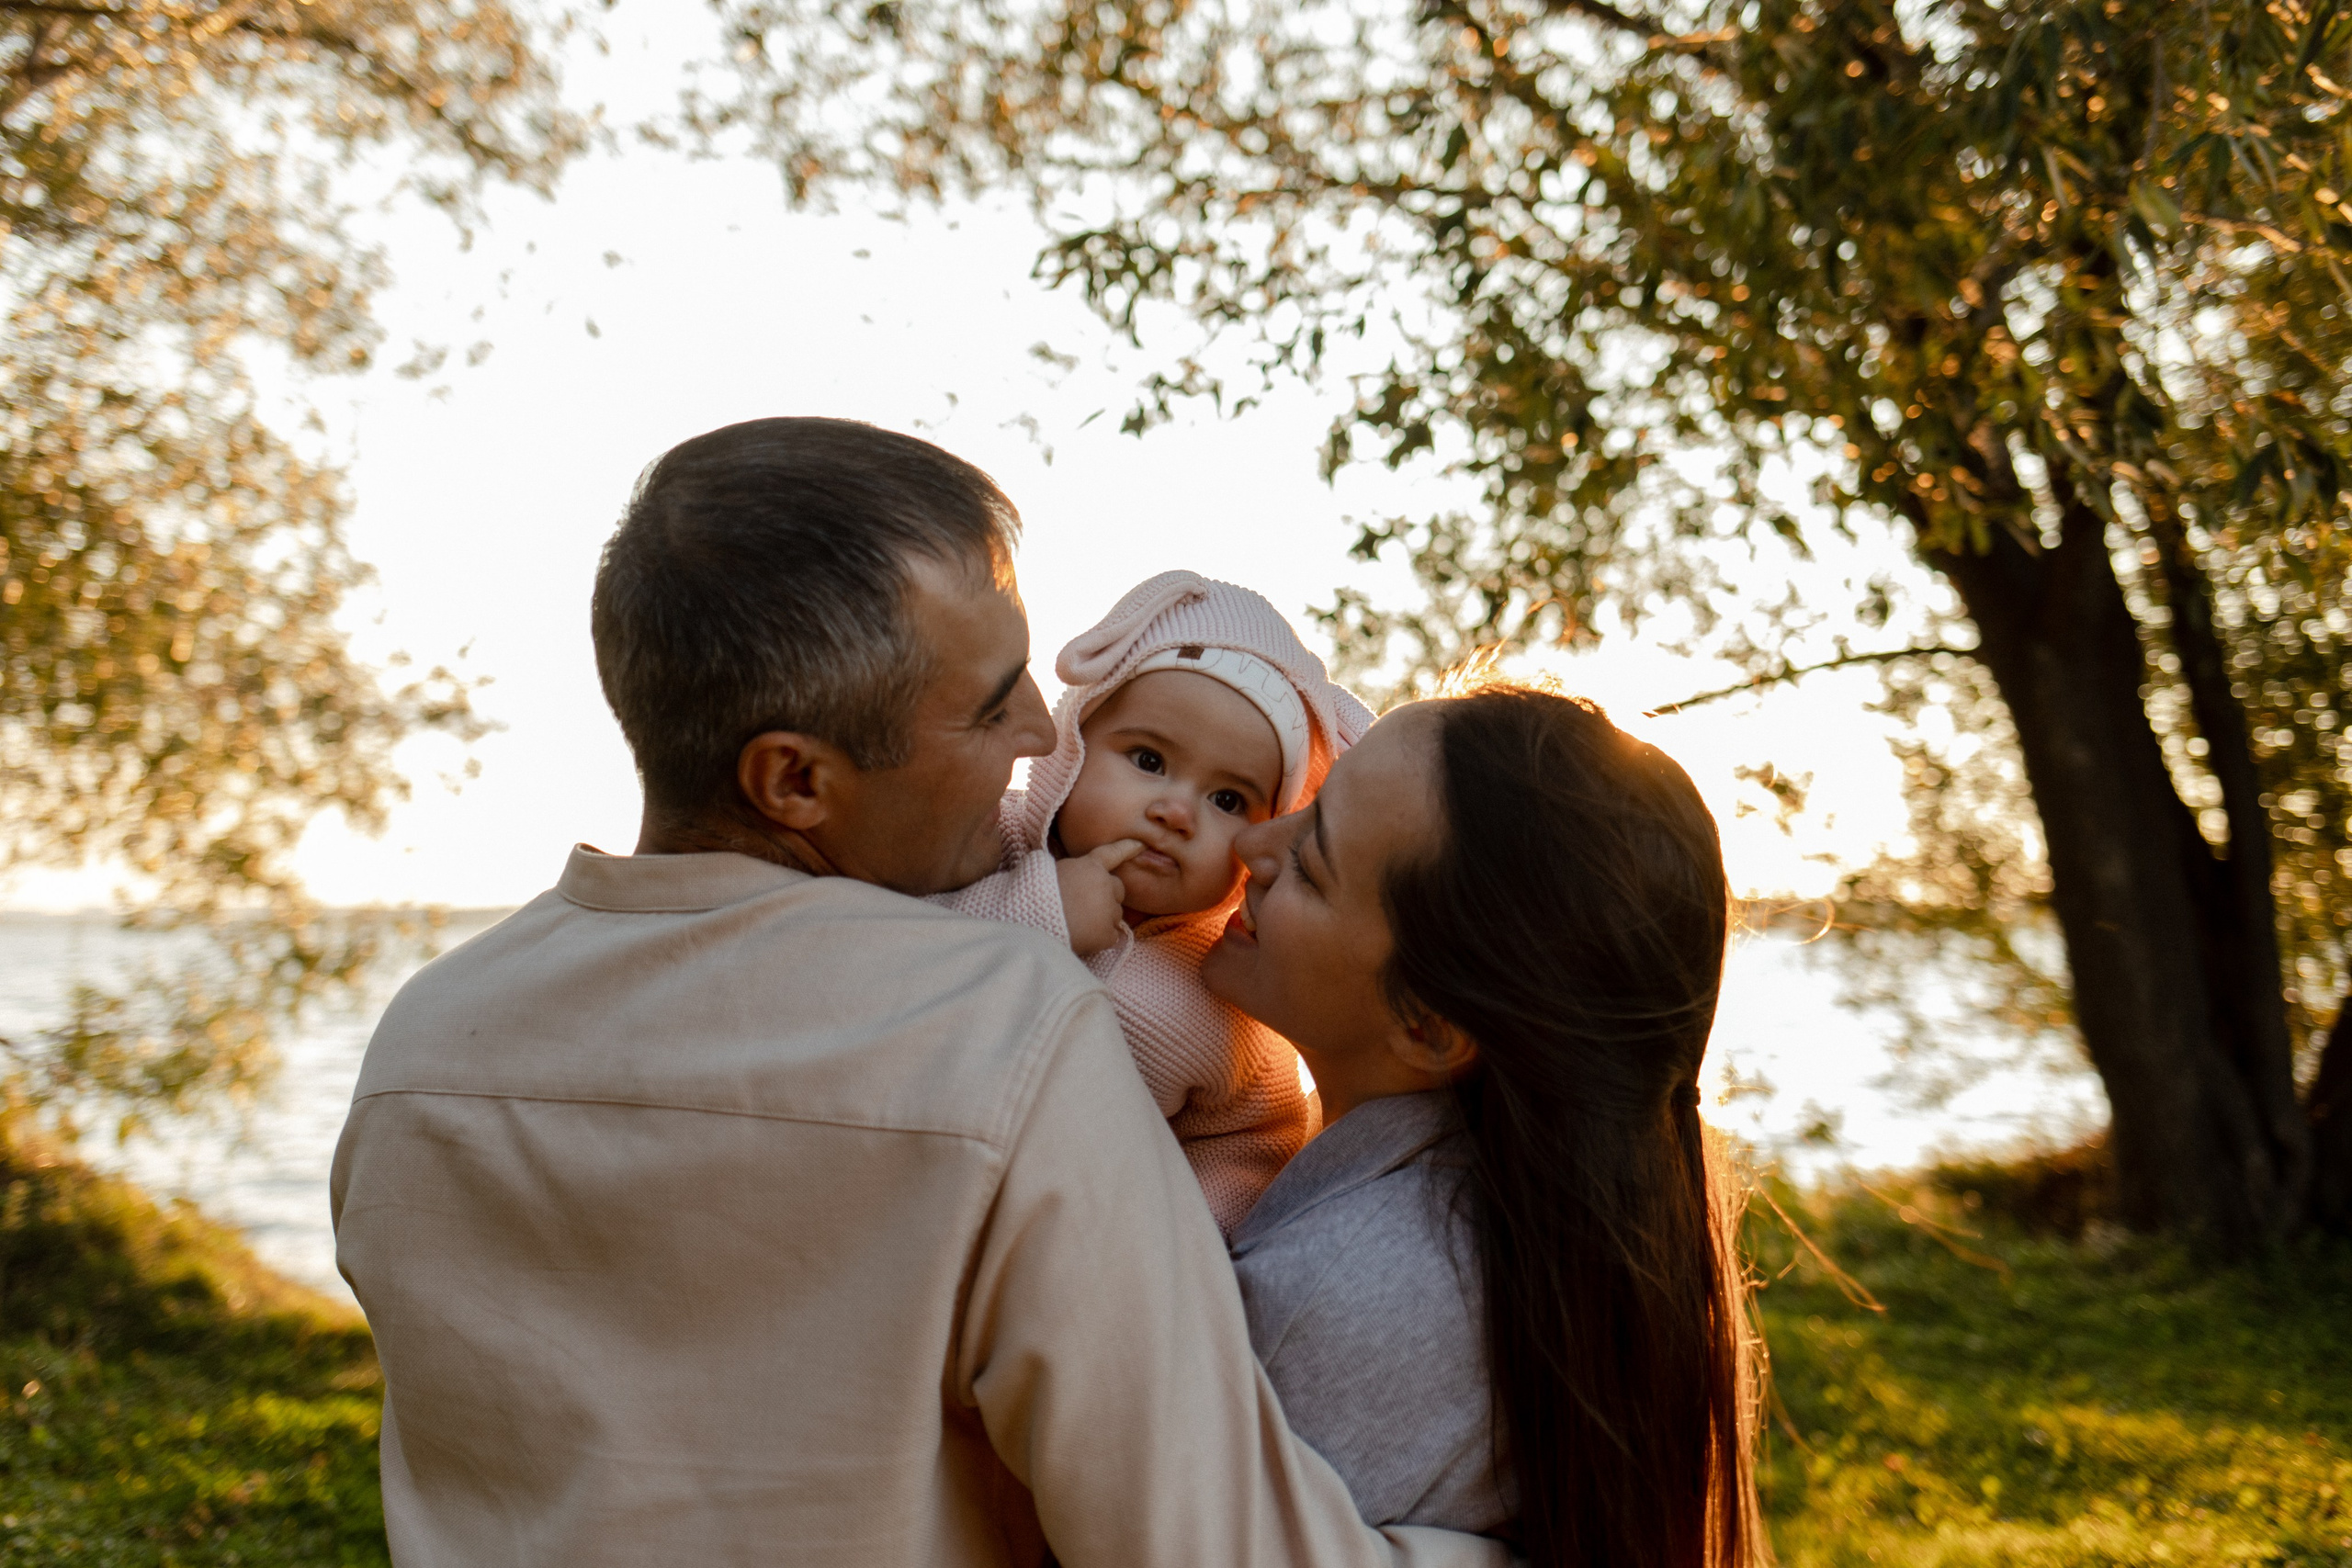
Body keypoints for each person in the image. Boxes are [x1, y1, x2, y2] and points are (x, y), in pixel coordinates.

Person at [329, 417, 1507, 1568]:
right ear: (794, 778)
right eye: (994, 704)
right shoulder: (1010, 1033)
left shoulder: (419, 1047)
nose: (1046, 731)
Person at [1204, 684, 1766, 1567]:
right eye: (1310, 799)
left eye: (1312, 866)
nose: (1250, 843)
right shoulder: (1517, 1233)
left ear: (1428, 1025)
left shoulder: (1346, 1293)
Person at [933, 570, 1372, 1235]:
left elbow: (1248, 1150)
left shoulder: (1229, 999)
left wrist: (1171, 1242)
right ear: (1074, 740)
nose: (1175, 811)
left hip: (1067, 1252)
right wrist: (1039, 912)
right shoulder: (984, 842)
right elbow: (892, 951)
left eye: (1227, 800)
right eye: (1147, 758)